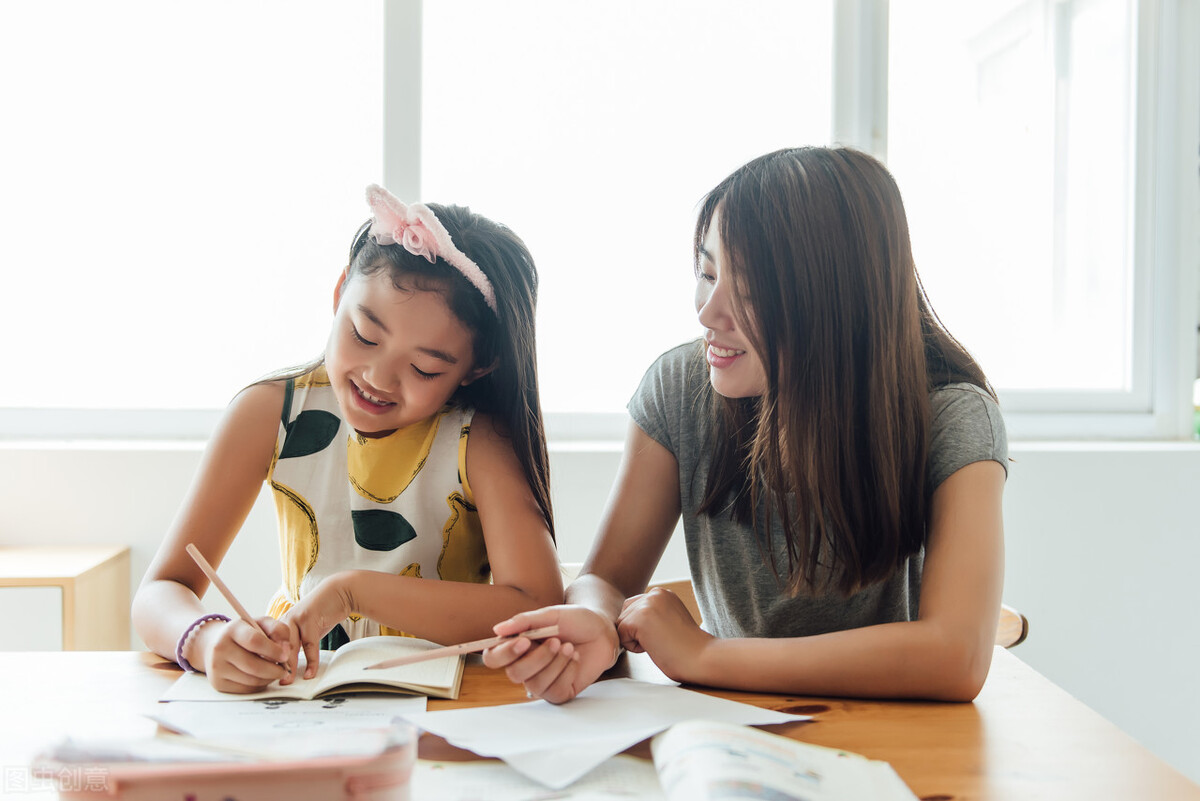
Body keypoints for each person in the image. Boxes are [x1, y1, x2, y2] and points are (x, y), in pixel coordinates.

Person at [484, 146, 1007, 704]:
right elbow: (607, 580)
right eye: (707, 273)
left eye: (751, 291)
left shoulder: (953, 415)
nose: (707, 312)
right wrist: (595, 620)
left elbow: (957, 656)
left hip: (894, 732)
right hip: (732, 730)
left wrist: (705, 655)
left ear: (836, 306)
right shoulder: (680, 388)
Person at [133, 185, 563, 693]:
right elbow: (160, 591)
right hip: (298, 686)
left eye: (424, 369)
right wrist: (206, 641)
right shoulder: (271, 412)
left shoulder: (479, 438)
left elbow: (537, 605)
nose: (378, 378)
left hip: (443, 692)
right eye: (364, 334)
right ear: (340, 293)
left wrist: (353, 593)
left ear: (477, 367)